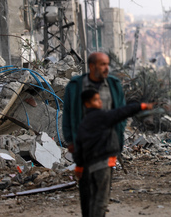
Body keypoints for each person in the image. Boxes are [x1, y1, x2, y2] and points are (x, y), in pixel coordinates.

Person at [62, 52, 126, 217]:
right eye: (102, 64)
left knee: (102, 191)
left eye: (107, 64)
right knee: (86, 191)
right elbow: (68, 114)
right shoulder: (76, 86)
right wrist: (70, 139)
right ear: (91, 66)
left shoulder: (114, 85)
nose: (106, 68)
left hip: (107, 147)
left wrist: (119, 137)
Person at [73, 89, 153, 217]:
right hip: (103, 164)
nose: (99, 102)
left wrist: (79, 166)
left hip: (88, 166)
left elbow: (79, 146)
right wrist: (141, 106)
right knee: (101, 199)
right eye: (95, 100)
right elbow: (122, 112)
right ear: (87, 103)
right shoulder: (102, 116)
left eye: (99, 99)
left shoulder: (83, 122)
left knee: (89, 199)